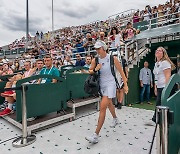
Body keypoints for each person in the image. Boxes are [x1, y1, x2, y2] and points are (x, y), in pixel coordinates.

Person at [85, 40, 128, 144]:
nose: (97, 50)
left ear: (104, 48)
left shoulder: (113, 58)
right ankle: (115, 118)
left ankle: (96, 135)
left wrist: (126, 85)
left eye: (98, 48)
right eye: (96, 49)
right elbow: (90, 71)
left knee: (102, 107)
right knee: (109, 104)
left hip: (111, 84)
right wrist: (96, 69)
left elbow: (122, 72)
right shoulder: (95, 59)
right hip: (101, 85)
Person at [152, 47, 175, 122]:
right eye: (157, 50)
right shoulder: (156, 64)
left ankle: (160, 119)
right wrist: (155, 87)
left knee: (161, 103)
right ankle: (158, 119)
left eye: (160, 51)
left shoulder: (165, 63)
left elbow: (167, 77)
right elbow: (156, 76)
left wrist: (166, 89)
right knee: (159, 103)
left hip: (164, 87)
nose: (157, 52)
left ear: (163, 53)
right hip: (159, 87)